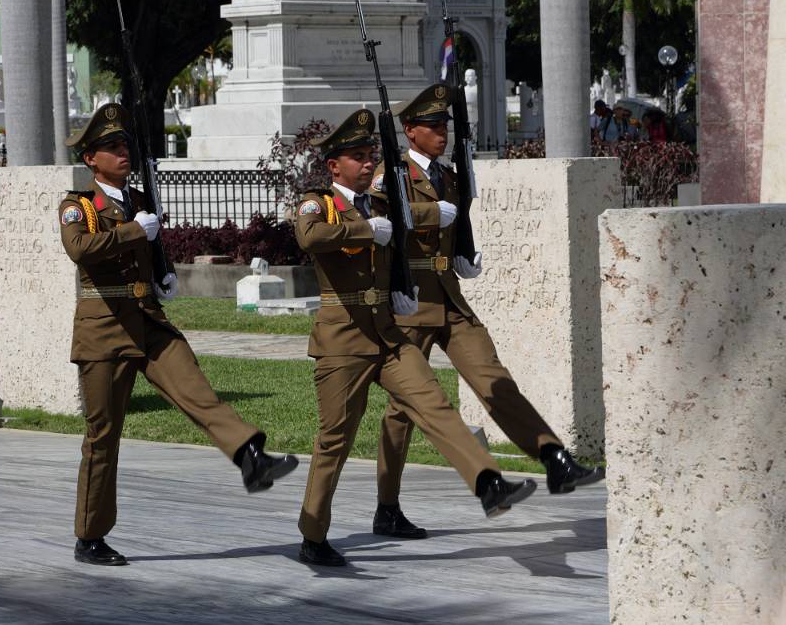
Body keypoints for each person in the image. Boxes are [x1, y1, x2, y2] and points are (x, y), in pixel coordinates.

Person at [294, 108, 537, 567]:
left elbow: (419, 242)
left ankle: (487, 482)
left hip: (388, 335)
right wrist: (366, 230)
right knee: (335, 440)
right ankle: (312, 534)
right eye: (358, 157)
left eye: (371, 155)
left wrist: (433, 271)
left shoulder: (387, 206)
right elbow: (309, 237)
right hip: (343, 342)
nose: (368, 164)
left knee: (434, 404)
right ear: (334, 167)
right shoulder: (319, 203)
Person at [58, 103, 299, 566]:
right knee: (103, 436)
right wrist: (133, 232)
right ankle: (90, 536)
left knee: (198, 393)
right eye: (111, 147)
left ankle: (251, 456)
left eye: (124, 144)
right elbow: (81, 249)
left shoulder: (139, 201)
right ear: (91, 159)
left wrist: (161, 275)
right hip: (103, 330)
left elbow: (147, 254)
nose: (122, 153)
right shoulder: (80, 207)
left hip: (148, 322)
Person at [367, 84, 605, 540]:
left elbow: (457, 224)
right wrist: (430, 215)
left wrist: (461, 254)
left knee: (494, 380)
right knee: (402, 410)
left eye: (446, 126)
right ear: (410, 131)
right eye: (433, 127)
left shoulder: (449, 176)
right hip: (410, 301)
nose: (443, 134)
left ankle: (554, 458)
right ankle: (387, 506)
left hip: (450, 299)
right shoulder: (388, 174)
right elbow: (388, 215)